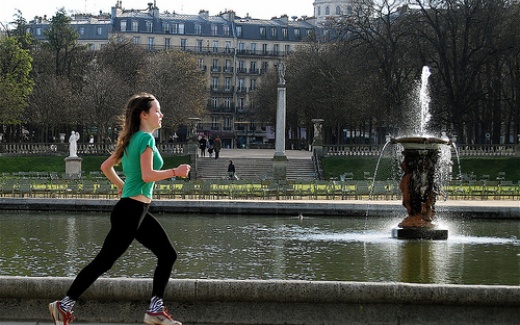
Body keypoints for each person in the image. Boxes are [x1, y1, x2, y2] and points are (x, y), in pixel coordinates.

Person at [49, 93, 190, 325]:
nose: (161, 114)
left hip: (135, 210)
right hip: (131, 211)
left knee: (166, 254)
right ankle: (64, 305)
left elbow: (106, 167)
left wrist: (123, 187)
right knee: (104, 261)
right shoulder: (145, 139)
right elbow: (147, 175)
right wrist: (176, 172)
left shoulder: (130, 139)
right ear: (144, 115)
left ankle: (155, 309)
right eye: (157, 111)